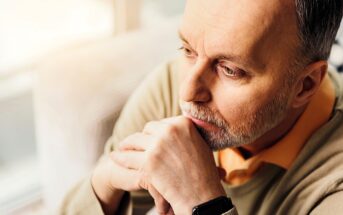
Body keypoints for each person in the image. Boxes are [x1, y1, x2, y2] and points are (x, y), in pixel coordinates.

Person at [60, 0, 343, 214]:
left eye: (230, 70)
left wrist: (203, 204)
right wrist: (105, 184)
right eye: (188, 50)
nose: (187, 92)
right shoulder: (169, 84)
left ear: (304, 85)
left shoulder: (334, 185)